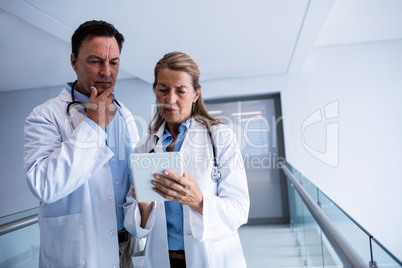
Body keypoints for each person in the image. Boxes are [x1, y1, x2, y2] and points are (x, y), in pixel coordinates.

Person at [24, 20, 140, 268]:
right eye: (95, 61)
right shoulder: (45, 115)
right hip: (81, 254)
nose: (106, 72)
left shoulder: (126, 116)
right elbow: (44, 185)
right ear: (74, 61)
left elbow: (133, 185)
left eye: (114, 62)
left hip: (127, 249)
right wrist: (93, 125)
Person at [124, 52, 250, 267]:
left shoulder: (220, 137)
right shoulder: (144, 147)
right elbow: (135, 227)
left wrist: (198, 201)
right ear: (155, 90)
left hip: (210, 258)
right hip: (162, 259)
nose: (170, 99)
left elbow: (239, 210)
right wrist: (143, 206)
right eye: (163, 89)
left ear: (195, 94)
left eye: (181, 91)